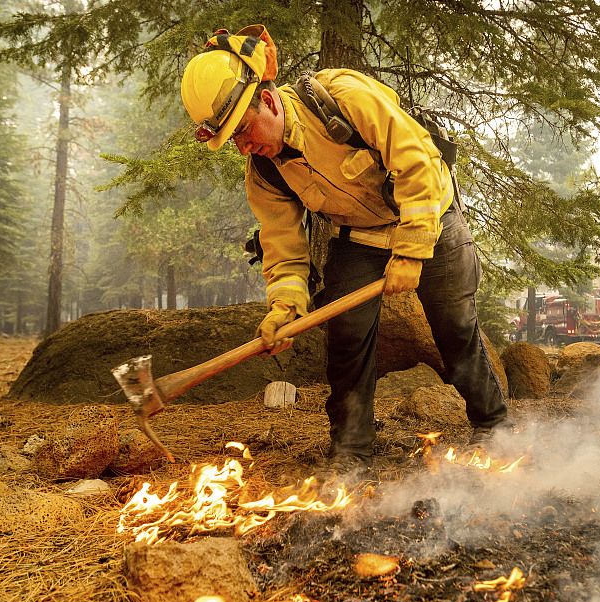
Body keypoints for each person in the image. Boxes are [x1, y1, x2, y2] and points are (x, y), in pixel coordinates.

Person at [179, 26, 508, 472]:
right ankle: (351, 453)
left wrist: (411, 249)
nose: (243, 146)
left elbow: (420, 163)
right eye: (232, 140)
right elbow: (285, 250)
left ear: (270, 101)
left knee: (454, 328)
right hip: (361, 238)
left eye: (243, 129)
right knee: (347, 339)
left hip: (432, 214)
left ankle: (493, 426)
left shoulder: (343, 97)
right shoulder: (265, 174)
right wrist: (285, 308)